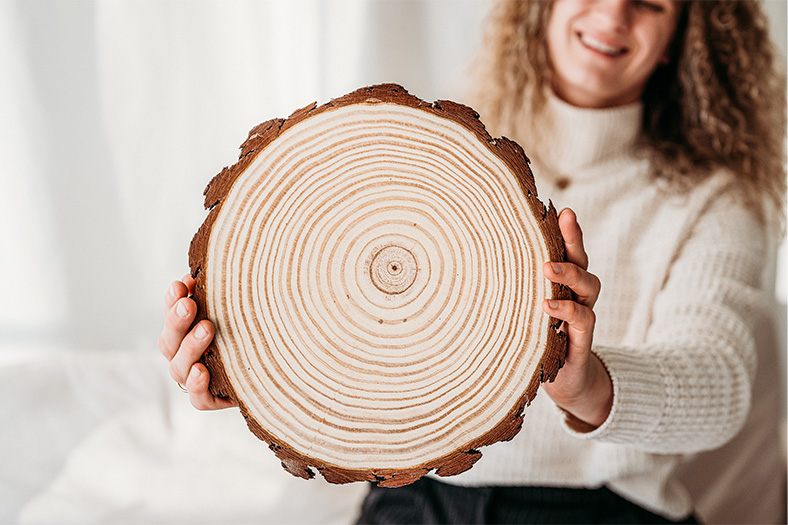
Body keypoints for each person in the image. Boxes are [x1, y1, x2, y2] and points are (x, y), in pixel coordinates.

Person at [159, 0, 786, 522]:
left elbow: (721, 383)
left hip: (603, 510)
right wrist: (240, 362)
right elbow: (345, 307)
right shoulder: (431, 140)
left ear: (683, 36)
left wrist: (588, 383)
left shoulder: (720, 200)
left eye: (651, 2)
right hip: (414, 500)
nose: (615, 13)